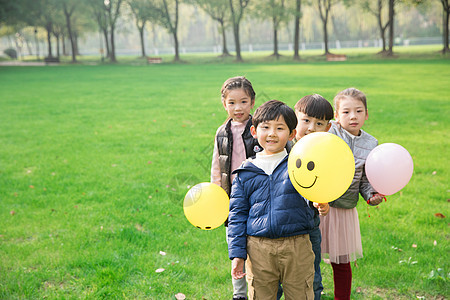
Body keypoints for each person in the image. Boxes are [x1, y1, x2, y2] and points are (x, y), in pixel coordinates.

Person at [228, 100, 315, 300]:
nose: (272, 133)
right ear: (254, 131)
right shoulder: (245, 172)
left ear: (292, 134)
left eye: (280, 128)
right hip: (258, 249)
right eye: (265, 127)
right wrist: (238, 255)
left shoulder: (299, 165)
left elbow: (314, 195)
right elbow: (237, 216)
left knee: (301, 294)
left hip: (297, 245)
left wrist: (320, 204)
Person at [319, 88, 384, 300]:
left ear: (367, 114)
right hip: (319, 206)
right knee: (308, 258)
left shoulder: (371, 144)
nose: (353, 116)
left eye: (358, 111)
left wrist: (371, 195)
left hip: (344, 210)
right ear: (336, 116)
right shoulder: (329, 134)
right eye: (346, 112)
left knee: (342, 262)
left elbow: (366, 178)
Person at [211, 76, 258, 300]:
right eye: (232, 102)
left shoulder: (260, 128)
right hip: (232, 198)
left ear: (252, 102)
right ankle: (239, 294)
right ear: (224, 104)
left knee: (259, 246)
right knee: (236, 246)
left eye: (243, 102)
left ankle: (264, 288)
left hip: (257, 195)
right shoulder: (221, 132)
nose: (238, 108)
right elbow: (217, 167)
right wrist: (216, 196)